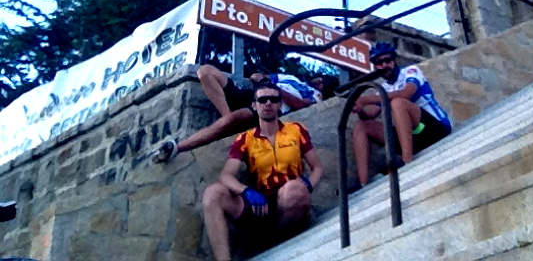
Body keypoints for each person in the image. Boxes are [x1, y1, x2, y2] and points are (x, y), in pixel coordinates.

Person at [202, 82, 323, 261]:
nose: (268, 103)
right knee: (213, 194)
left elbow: (317, 167)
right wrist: (246, 191)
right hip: (261, 206)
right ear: (254, 105)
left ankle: (279, 237)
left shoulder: (296, 129)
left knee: (292, 190)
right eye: (262, 99)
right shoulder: (245, 138)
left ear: (280, 104)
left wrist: (307, 186)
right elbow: (225, 176)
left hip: (290, 203)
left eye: (273, 99)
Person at [152, 65, 324, 162]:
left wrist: (272, 87)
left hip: (267, 105)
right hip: (251, 94)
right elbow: (261, 77)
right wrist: (258, 77)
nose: (319, 81)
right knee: (205, 71)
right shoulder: (291, 78)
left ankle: (177, 148)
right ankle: (227, 119)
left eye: (323, 82)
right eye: (319, 78)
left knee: (235, 118)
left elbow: (301, 105)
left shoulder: (315, 94)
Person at [352, 42, 452, 186]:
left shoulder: (411, 71)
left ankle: (406, 160)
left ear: (394, 60)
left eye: (387, 60)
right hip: (414, 138)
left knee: (398, 103)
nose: (384, 65)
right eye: (379, 63)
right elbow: (370, 115)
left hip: (436, 128)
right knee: (361, 126)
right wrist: (359, 108)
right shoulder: (384, 88)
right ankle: (363, 183)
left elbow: (405, 94)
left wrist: (366, 99)